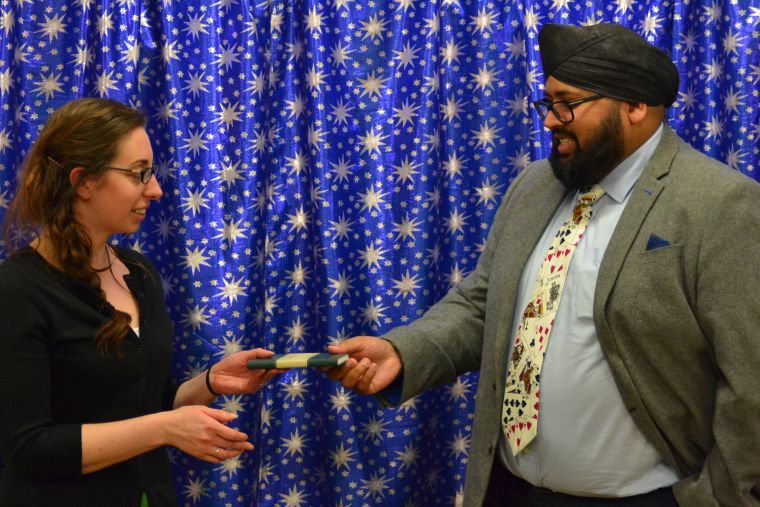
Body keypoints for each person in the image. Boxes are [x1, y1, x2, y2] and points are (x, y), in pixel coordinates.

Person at [326, 23, 760, 507]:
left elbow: (751, 379)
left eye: (567, 103)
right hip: (508, 489)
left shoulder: (721, 205)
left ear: (636, 106)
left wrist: (714, 498)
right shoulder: (536, 185)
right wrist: (403, 352)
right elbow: (483, 305)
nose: (551, 121)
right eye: (547, 103)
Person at [0, 98, 280, 506]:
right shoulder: (17, 289)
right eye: (138, 174)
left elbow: (145, 403)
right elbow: (29, 448)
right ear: (83, 181)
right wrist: (166, 428)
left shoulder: (138, 273)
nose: (156, 189)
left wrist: (209, 383)